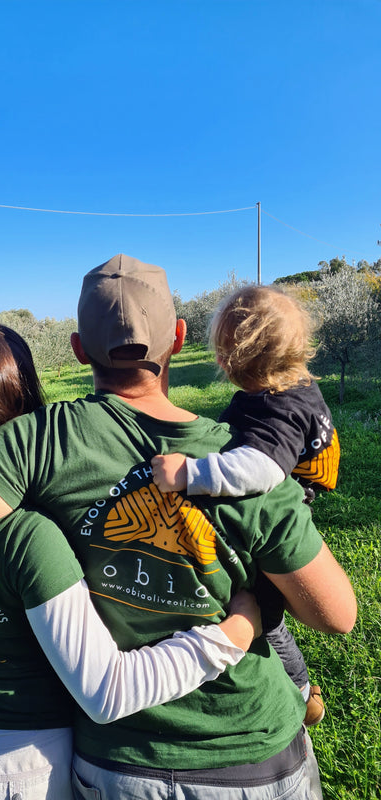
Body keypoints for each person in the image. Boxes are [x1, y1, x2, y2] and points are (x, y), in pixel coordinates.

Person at [0, 255, 357, 800]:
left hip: (115, 762)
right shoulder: (247, 459)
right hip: (254, 752)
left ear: (77, 349)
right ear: (179, 340)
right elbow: (336, 616)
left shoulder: (36, 442)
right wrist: (243, 623)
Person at [0, 324, 261, 800]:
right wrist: (235, 632)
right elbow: (107, 691)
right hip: (15, 759)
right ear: (23, 411)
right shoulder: (31, 537)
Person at [151, 284, 341, 727]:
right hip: (288, 510)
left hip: (278, 522)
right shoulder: (295, 388)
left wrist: (190, 474)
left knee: (266, 616)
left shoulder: (279, 411)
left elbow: (261, 469)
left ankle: (297, 693)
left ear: (231, 362)